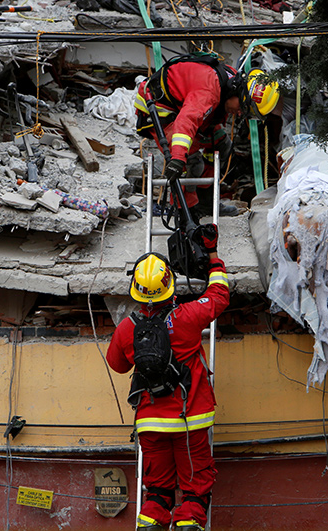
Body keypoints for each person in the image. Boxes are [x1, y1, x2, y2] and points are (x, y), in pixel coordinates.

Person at [106, 224, 229, 531]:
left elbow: (118, 366)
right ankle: (188, 522)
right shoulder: (187, 318)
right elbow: (219, 294)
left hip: (150, 423)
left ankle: (150, 523)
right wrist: (213, 256)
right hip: (190, 419)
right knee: (193, 492)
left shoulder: (126, 328)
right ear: (169, 285)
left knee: (158, 492)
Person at [134, 54, 280, 215]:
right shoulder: (208, 91)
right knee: (189, 161)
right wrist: (177, 158)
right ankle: (184, 212)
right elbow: (186, 122)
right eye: (242, 108)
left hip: (183, 105)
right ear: (238, 92)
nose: (239, 114)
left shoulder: (230, 80)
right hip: (160, 108)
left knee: (222, 146)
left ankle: (205, 202)